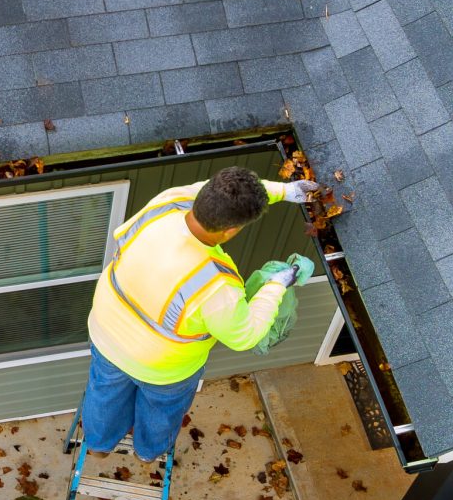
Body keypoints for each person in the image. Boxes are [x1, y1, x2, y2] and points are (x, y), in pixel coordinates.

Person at [81, 166, 318, 462]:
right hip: (163, 369)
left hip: (107, 334)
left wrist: (285, 191)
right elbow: (245, 336)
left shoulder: (168, 202)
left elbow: (220, 192)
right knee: (160, 411)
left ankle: (99, 446)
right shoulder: (215, 285)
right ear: (231, 231)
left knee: (104, 394)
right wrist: (276, 284)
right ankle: (146, 452)